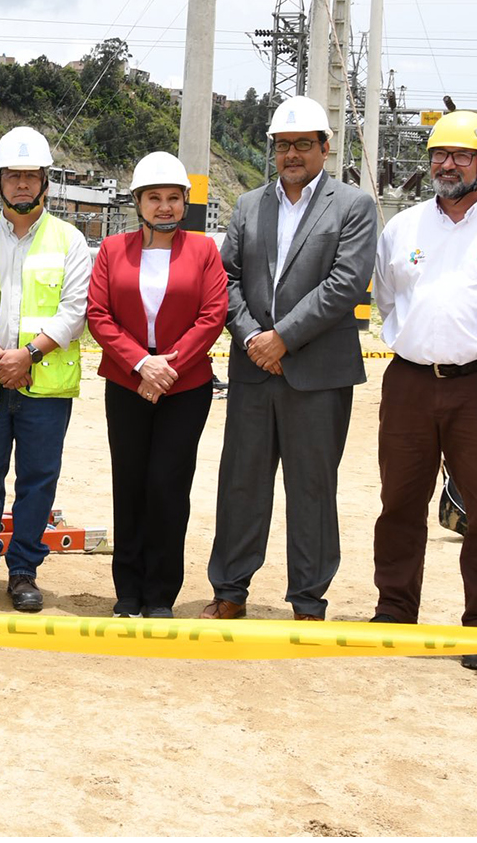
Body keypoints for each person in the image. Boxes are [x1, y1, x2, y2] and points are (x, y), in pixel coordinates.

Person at [203, 95, 376, 621]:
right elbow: (224, 279)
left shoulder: (353, 206)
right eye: (283, 145)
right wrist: (256, 337)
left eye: (303, 144)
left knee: (313, 489)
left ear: (325, 147)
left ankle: (308, 599)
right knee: (241, 482)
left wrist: (283, 337)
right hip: (254, 369)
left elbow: (345, 284)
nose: (292, 154)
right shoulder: (249, 205)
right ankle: (230, 590)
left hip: (318, 374)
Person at [0, 126, 90, 611]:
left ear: (46, 181)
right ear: (0, 181)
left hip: (42, 383)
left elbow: (75, 310)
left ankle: (24, 570)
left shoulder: (70, 241)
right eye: (14, 176)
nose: (23, 185)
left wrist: (27, 355)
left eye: (31, 176)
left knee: (37, 479)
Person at [86, 152, 228, 619]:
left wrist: (167, 368)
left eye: (173, 198)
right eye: (154, 198)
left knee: (168, 486)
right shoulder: (111, 250)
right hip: (127, 384)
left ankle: (161, 592)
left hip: (184, 388)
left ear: (185, 202)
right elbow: (99, 315)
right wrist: (140, 365)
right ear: (138, 203)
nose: (164, 207)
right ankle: (127, 589)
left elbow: (212, 316)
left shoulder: (205, 251)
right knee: (129, 484)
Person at [371, 109, 477, 669]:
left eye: (461, 155)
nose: (447, 164)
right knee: (400, 501)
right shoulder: (403, 227)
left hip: (475, 387)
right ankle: (394, 611)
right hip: (410, 382)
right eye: (439, 154)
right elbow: (387, 301)